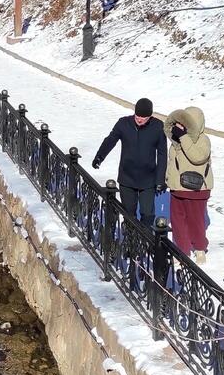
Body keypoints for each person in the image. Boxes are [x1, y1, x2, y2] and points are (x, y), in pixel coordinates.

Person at [91, 97, 167, 227]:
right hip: (127, 177)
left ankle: (144, 238)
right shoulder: (123, 124)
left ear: (150, 117)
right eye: (137, 116)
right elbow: (110, 140)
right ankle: (129, 236)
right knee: (128, 213)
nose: (139, 120)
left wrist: (160, 180)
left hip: (148, 179)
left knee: (147, 214)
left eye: (144, 118)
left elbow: (162, 154)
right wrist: (99, 157)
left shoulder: (158, 127)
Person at [164, 106, 212, 264]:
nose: (181, 125)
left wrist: (183, 137)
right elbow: (173, 162)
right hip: (178, 187)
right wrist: (168, 179)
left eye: (185, 122)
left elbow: (197, 157)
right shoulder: (178, 139)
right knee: (177, 220)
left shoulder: (203, 140)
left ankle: (199, 248)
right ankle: (182, 250)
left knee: (195, 220)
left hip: (196, 188)